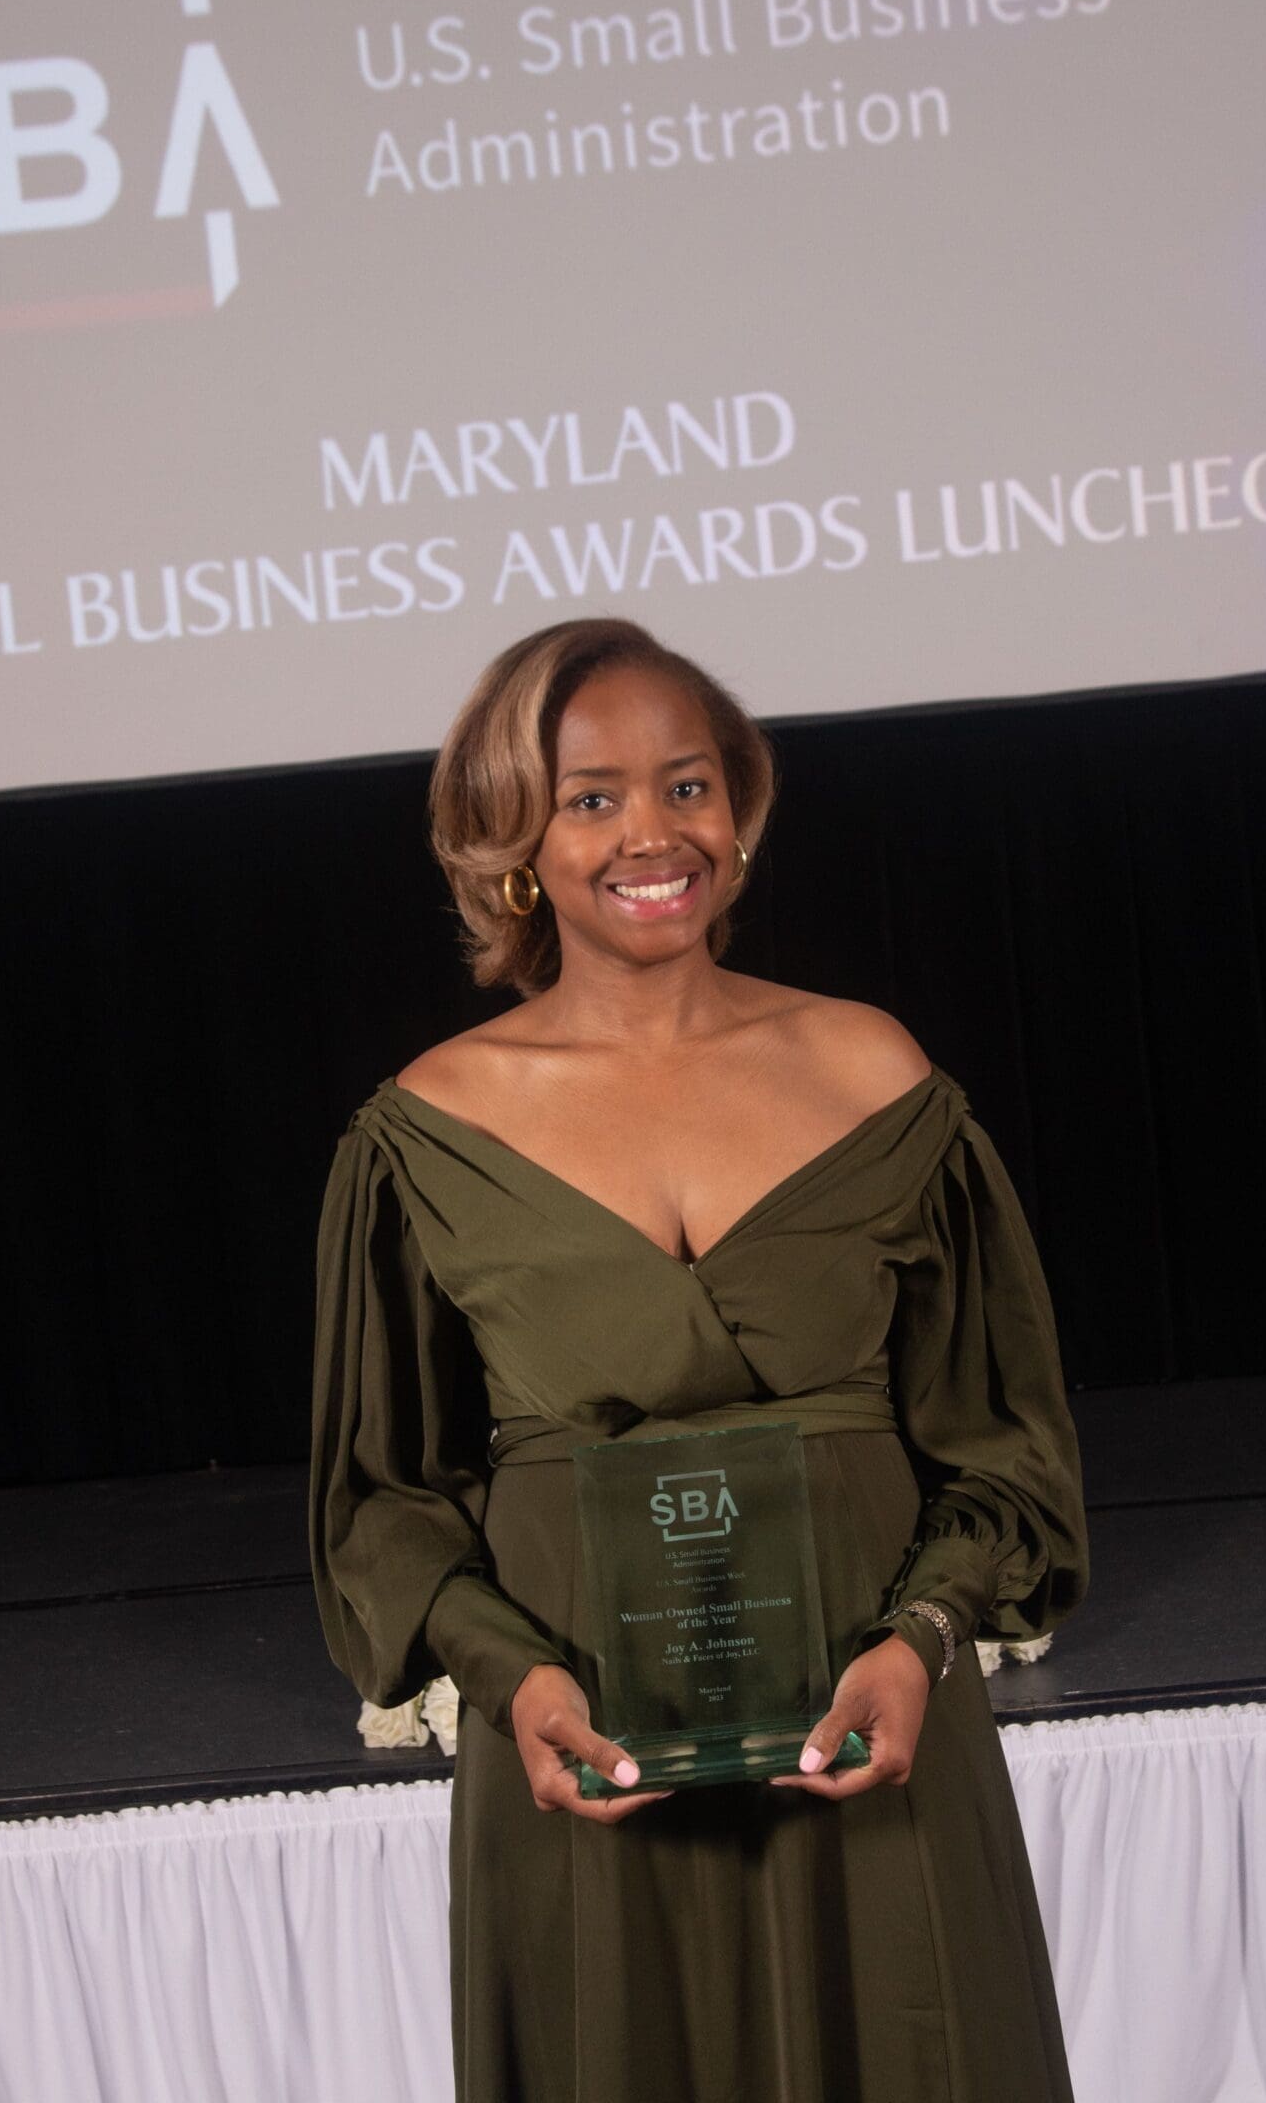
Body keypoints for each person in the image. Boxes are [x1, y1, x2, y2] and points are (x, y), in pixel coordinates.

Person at [310, 617, 1088, 2103]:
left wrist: (920, 1642)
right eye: (591, 796)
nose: (651, 833)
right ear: (512, 835)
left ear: (741, 803)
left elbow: (1006, 1456)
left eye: (687, 784)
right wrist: (514, 1684)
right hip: (585, 1771)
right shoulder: (429, 1130)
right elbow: (384, 1502)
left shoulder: (876, 1074)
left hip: (876, 1755)